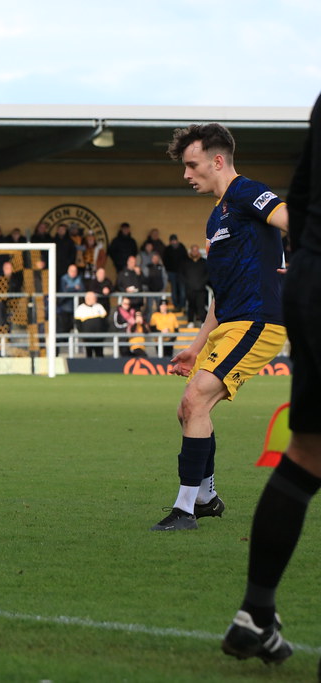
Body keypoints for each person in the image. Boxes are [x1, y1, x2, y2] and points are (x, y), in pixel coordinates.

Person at [220, 90, 321, 666]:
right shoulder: (232, 200)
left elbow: (299, 200)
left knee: (307, 452)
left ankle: (255, 610)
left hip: (306, 282)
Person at [151, 122, 288, 532]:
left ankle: (185, 510)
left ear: (216, 160)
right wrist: (195, 346)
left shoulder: (246, 192)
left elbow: (289, 218)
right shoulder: (217, 218)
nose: (186, 174)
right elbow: (220, 294)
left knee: (196, 400)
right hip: (230, 322)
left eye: (191, 165)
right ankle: (207, 496)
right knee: (188, 408)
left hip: (259, 320)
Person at [74, 291, 108, 358]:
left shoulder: (99, 306)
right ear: (87, 299)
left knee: (100, 354)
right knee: (89, 354)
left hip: (99, 337)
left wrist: (104, 332)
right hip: (87, 337)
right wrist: (83, 335)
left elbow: (105, 321)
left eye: (95, 298)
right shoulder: (80, 309)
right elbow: (78, 324)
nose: (95, 299)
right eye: (93, 298)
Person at [183, 244, 210, 324]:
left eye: (196, 250)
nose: (195, 252)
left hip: (201, 289)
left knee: (201, 306)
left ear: (198, 251)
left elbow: (208, 274)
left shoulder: (204, 262)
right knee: (190, 306)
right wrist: (187, 283)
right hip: (190, 289)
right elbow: (181, 275)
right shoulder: (186, 262)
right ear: (191, 251)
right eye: (193, 250)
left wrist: (202, 283)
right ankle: (190, 321)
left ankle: (203, 323)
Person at [162, 233, 189, 311]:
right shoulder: (167, 249)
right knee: (174, 290)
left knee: (182, 290)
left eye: (174, 240)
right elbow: (165, 261)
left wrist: (184, 271)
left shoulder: (182, 248)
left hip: (181, 273)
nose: (173, 242)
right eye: (172, 241)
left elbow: (186, 260)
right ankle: (176, 306)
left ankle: (182, 306)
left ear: (177, 240)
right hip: (172, 272)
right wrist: (168, 270)